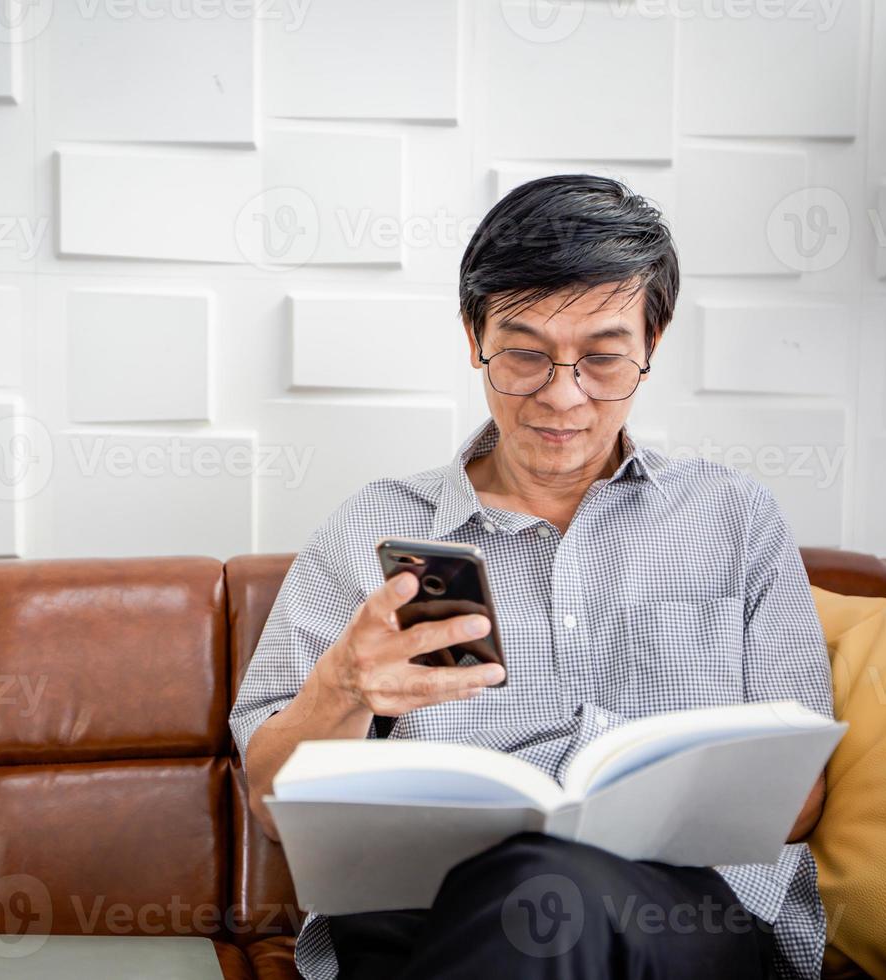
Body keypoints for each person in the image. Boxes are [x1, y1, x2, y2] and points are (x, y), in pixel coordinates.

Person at [229, 174, 833, 979]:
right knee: (530, 897)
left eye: (603, 359)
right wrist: (342, 682)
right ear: (473, 335)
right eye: (524, 355)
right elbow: (272, 805)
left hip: (670, 920)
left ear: (653, 343)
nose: (562, 396)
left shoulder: (735, 521)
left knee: (547, 891)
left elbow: (798, 799)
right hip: (421, 911)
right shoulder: (373, 530)